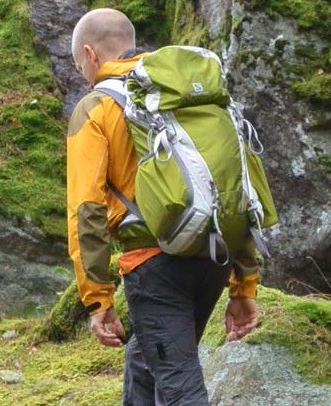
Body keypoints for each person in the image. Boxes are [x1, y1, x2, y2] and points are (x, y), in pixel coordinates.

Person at [66, 8, 262, 405]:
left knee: (179, 386)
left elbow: (86, 209)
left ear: (90, 54)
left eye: (79, 67)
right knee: (145, 361)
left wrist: (97, 298)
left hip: (154, 265)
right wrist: (245, 283)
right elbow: (235, 184)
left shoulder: (96, 107)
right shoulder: (187, 95)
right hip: (214, 253)